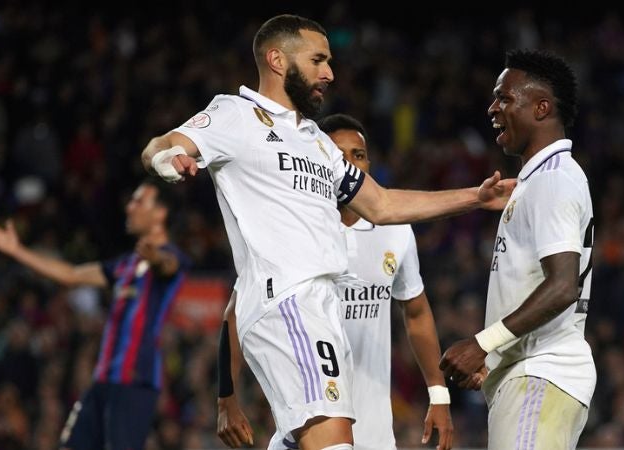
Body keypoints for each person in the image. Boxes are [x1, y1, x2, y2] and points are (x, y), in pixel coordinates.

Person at [141, 14, 513, 450]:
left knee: (309, 439)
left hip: (321, 304)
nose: (329, 73)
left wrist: (477, 198)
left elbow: (383, 204)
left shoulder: (316, 142)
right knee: (334, 441)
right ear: (277, 60)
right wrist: (168, 161)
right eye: (318, 59)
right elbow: (162, 145)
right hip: (287, 300)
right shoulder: (235, 114)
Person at [216, 113, 455, 450]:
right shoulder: (292, 229)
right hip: (308, 425)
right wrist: (226, 398)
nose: (350, 164)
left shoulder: (396, 231)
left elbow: (415, 312)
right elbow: (235, 312)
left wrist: (439, 394)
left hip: (375, 433)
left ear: (369, 163)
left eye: (358, 155)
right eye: (338, 156)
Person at [439, 49, 596, 450]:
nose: (493, 107)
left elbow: (563, 286)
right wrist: (493, 359)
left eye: (505, 97)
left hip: (541, 374)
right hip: (527, 375)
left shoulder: (554, 179)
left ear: (542, 108)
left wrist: (481, 345)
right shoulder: (538, 180)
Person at [0, 178, 189, 450]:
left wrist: (155, 257)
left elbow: (167, 267)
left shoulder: (172, 258)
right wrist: (17, 250)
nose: (129, 207)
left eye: (138, 201)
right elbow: (71, 275)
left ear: (160, 213)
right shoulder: (125, 264)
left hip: (135, 382)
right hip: (102, 380)